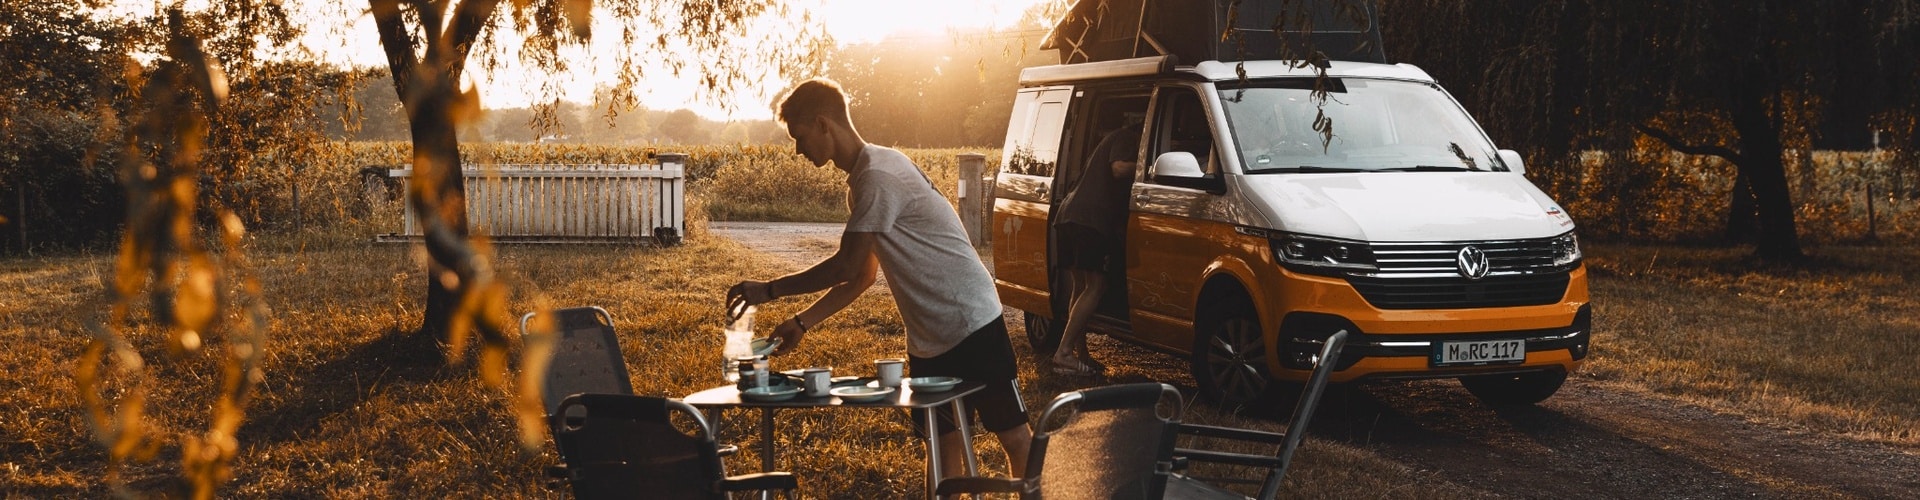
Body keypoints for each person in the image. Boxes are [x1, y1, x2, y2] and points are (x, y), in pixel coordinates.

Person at [725, 78, 1033, 478]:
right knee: (943, 449)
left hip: (970, 320)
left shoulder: (878, 176)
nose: (798, 150)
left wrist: (769, 290)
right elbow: (864, 276)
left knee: (1014, 437)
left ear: (823, 124)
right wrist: (803, 322)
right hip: (929, 337)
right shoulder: (867, 177)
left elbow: (845, 266)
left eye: (799, 137)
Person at [1049, 121, 1141, 375]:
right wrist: (1147, 167)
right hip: (1089, 222)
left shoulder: (1107, 139)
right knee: (1096, 286)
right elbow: (1120, 168)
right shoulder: (1125, 136)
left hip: (1068, 215)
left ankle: (1080, 354)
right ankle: (1064, 352)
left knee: (1079, 288)